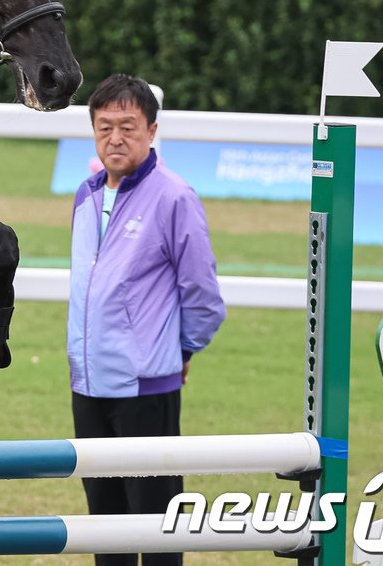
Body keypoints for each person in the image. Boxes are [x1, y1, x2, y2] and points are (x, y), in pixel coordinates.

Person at [67, 74, 226, 566]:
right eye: (105, 126)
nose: (115, 138)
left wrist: (179, 352)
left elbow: (202, 294)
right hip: (87, 384)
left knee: (156, 526)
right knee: (106, 527)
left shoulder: (175, 197)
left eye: (128, 127)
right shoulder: (85, 194)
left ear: (152, 130)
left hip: (146, 387)